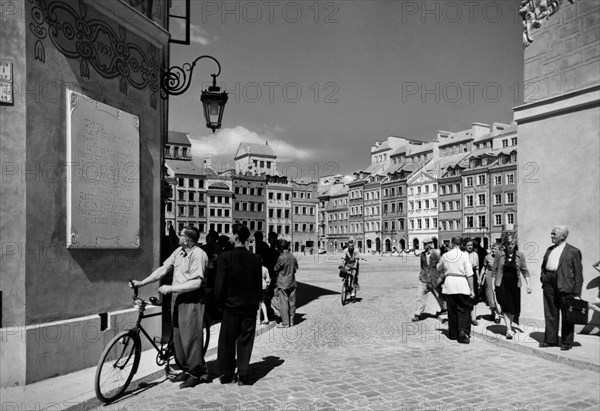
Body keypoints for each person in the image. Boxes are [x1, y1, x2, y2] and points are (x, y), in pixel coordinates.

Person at [131, 225, 209, 388]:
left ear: (187, 239)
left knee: (191, 337)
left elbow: (197, 282)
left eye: (180, 235)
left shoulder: (199, 254)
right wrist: (142, 282)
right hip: (177, 298)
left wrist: (171, 288)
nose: (177, 237)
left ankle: (196, 372)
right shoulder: (179, 252)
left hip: (191, 299)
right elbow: (163, 269)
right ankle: (185, 369)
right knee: (178, 336)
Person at [215, 224, 263, 385]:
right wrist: (256, 303)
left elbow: (219, 285)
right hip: (249, 307)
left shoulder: (225, 257)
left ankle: (226, 374)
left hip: (230, 307)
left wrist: (219, 302)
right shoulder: (255, 258)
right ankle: (242, 374)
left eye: (231, 234)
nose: (229, 237)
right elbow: (258, 285)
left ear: (236, 237)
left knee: (227, 342)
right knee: (245, 341)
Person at [539, 225, 583, 351]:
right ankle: (550, 340)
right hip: (549, 284)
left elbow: (578, 273)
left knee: (567, 315)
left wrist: (577, 291)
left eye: (554, 234)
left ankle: (566, 342)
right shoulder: (549, 249)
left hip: (565, 285)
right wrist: (543, 277)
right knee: (550, 313)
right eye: (551, 233)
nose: (551, 236)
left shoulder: (573, 251)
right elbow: (543, 266)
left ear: (563, 236)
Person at [492, 235, 532, 340]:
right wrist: (492, 285)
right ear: (505, 244)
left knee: (513, 307)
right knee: (505, 306)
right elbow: (494, 271)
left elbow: (525, 270)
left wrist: (528, 284)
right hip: (502, 284)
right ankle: (509, 329)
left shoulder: (520, 255)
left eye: (512, 244)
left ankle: (509, 325)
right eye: (508, 244)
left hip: (515, 284)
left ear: (515, 244)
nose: (510, 246)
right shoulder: (499, 255)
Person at [437, 236, 474, 344]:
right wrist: (472, 289)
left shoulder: (445, 255)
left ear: (452, 244)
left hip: (449, 285)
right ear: (461, 244)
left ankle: (453, 334)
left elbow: (439, 267)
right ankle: (463, 332)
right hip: (462, 284)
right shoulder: (465, 255)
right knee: (464, 309)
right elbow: (470, 274)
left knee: (452, 310)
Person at [412, 238, 442, 322]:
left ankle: (444, 309)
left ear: (429, 244)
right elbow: (422, 266)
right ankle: (417, 314)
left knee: (439, 295)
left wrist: (439, 277)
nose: (424, 246)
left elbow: (440, 265)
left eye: (425, 244)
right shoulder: (422, 254)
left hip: (434, 278)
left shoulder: (436, 253)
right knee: (419, 295)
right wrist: (421, 274)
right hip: (424, 279)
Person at [273, 239, 299, 328]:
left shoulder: (281, 257)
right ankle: (291, 321)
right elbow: (296, 268)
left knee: (283, 303)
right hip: (292, 281)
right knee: (292, 302)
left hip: (283, 282)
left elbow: (276, 268)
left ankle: (285, 323)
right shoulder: (292, 256)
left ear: (280, 247)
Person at [482, 244, 502, 324]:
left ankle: (497, 314)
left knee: (498, 294)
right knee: (490, 295)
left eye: (495, 249)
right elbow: (484, 268)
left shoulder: (502, 257)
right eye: (492, 249)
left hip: (498, 275)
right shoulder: (487, 257)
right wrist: (480, 278)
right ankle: (492, 312)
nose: (493, 250)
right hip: (489, 275)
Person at [464, 238, 480, 326]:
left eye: (471, 245)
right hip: (465, 277)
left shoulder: (475, 255)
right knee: (466, 297)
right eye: (468, 245)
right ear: (465, 246)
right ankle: (467, 317)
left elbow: (477, 268)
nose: (470, 247)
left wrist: (478, 278)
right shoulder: (463, 254)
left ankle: (473, 317)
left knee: (474, 297)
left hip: (473, 276)